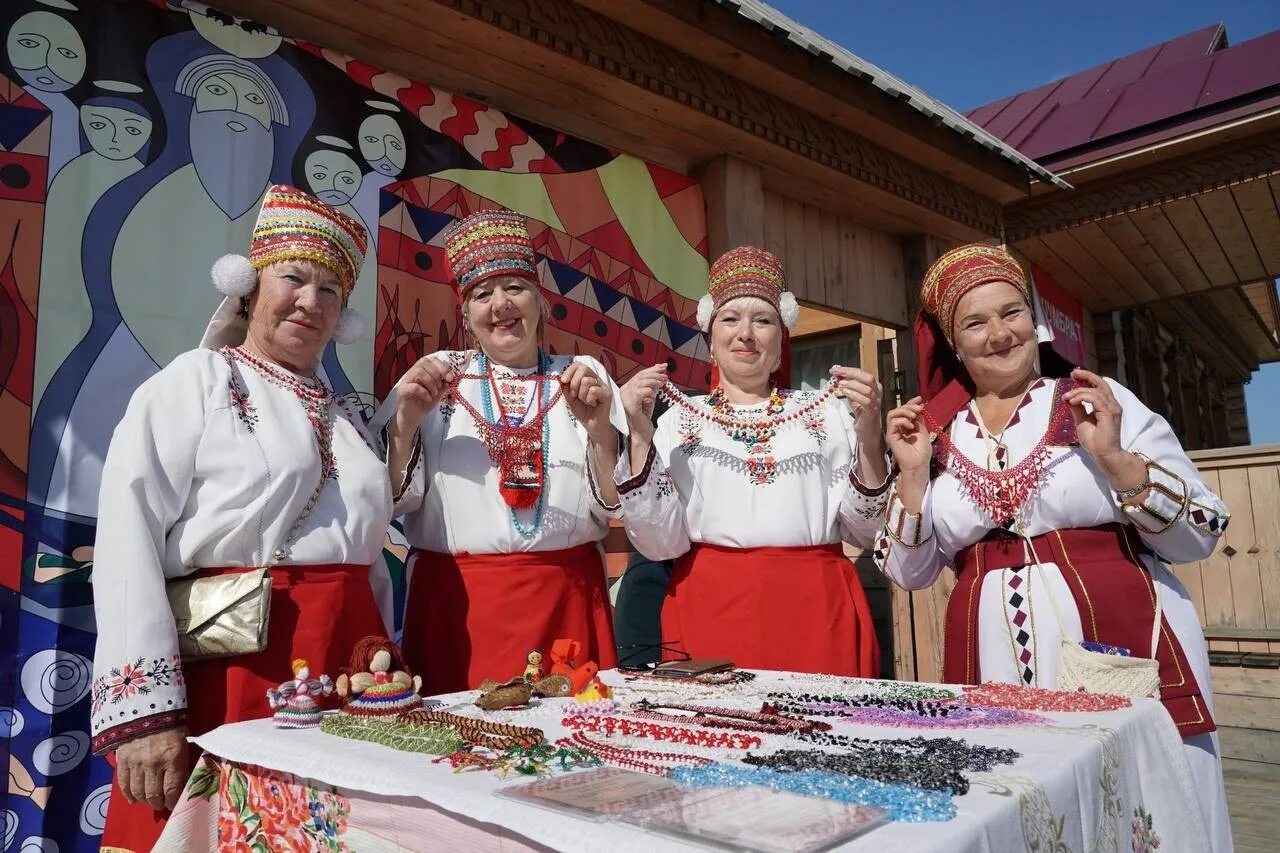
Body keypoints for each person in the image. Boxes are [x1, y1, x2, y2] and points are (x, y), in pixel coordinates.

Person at [876, 243, 1232, 851]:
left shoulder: (1093, 401)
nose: (999, 334)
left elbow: (1201, 531)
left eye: (1011, 312)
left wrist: (1116, 459)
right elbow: (909, 572)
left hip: (1121, 644)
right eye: (975, 322)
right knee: (1023, 804)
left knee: (1145, 803)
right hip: (990, 656)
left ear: (1033, 320)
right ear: (953, 343)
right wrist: (910, 475)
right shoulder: (935, 437)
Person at [89, 185, 393, 850]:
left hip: (345, 679)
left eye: (330, 291)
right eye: (294, 278)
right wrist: (145, 716)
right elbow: (127, 537)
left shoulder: (346, 418)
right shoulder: (195, 382)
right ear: (251, 283)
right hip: (235, 675)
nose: (310, 302)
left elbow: (368, 564)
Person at [379, 208, 625, 694]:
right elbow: (392, 502)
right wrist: (405, 424)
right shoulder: (437, 375)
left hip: (566, 602)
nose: (500, 305)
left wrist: (600, 430)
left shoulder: (581, 372)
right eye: (482, 294)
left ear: (540, 302)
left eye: (514, 288)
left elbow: (615, 503)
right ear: (466, 315)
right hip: (459, 609)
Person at [615, 246, 890, 676]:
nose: (746, 333)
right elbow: (659, 543)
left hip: (817, 613)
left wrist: (870, 436)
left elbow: (868, 529)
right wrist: (639, 435)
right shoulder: (679, 420)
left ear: (781, 343)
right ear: (710, 342)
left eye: (762, 321)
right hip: (710, 608)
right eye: (730, 319)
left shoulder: (827, 412)